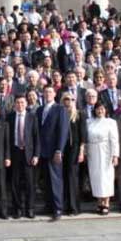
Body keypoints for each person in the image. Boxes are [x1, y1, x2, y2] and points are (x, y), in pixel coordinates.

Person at [81, 101, 118, 215]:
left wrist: (115, 155)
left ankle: (106, 202)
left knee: (106, 177)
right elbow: (86, 139)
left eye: (102, 109)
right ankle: (99, 202)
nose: (100, 111)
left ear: (105, 110)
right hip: (93, 151)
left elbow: (114, 140)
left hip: (106, 151)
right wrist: (85, 153)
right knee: (95, 177)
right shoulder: (89, 122)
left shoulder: (111, 122)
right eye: (98, 109)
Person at [37, 85, 69, 220]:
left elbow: (63, 131)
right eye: (45, 92)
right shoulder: (39, 110)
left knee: (56, 180)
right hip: (42, 151)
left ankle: (58, 208)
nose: (47, 94)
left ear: (55, 94)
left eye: (50, 92)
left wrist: (59, 150)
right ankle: (48, 205)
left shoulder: (60, 109)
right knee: (46, 180)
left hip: (54, 150)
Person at [7, 95, 39, 219]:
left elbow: (36, 137)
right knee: (15, 183)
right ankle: (17, 208)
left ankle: (30, 208)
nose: (20, 105)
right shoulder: (10, 117)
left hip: (29, 154)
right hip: (15, 153)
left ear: (26, 104)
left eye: (22, 102)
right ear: (14, 104)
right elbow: (7, 137)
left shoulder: (32, 117)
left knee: (30, 184)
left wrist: (36, 155)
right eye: (18, 102)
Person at [59, 93, 82, 216]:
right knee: (63, 177)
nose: (69, 101)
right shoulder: (60, 113)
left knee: (72, 177)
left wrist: (82, 151)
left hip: (74, 149)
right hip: (63, 148)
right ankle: (65, 205)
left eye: (72, 99)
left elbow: (82, 134)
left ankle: (74, 207)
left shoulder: (78, 114)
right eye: (66, 99)